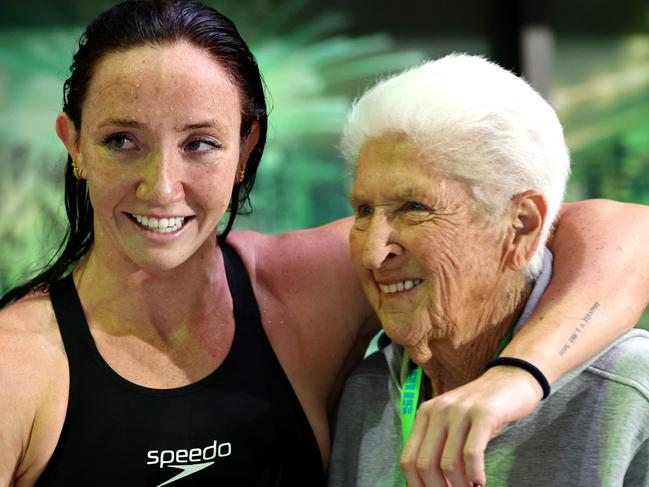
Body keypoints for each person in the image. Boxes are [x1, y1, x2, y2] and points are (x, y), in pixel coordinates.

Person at [0, 1, 648, 485]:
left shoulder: (304, 287)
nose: (161, 185)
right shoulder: (17, 365)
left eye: (199, 142)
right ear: (74, 144)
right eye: (121, 141)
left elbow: (621, 234)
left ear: (245, 147)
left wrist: (517, 377)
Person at [328, 53, 649, 487]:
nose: (372, 251)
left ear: (521, 227)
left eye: (414, 208)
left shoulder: (630, 391)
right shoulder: (367, 394)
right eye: (364, 210)